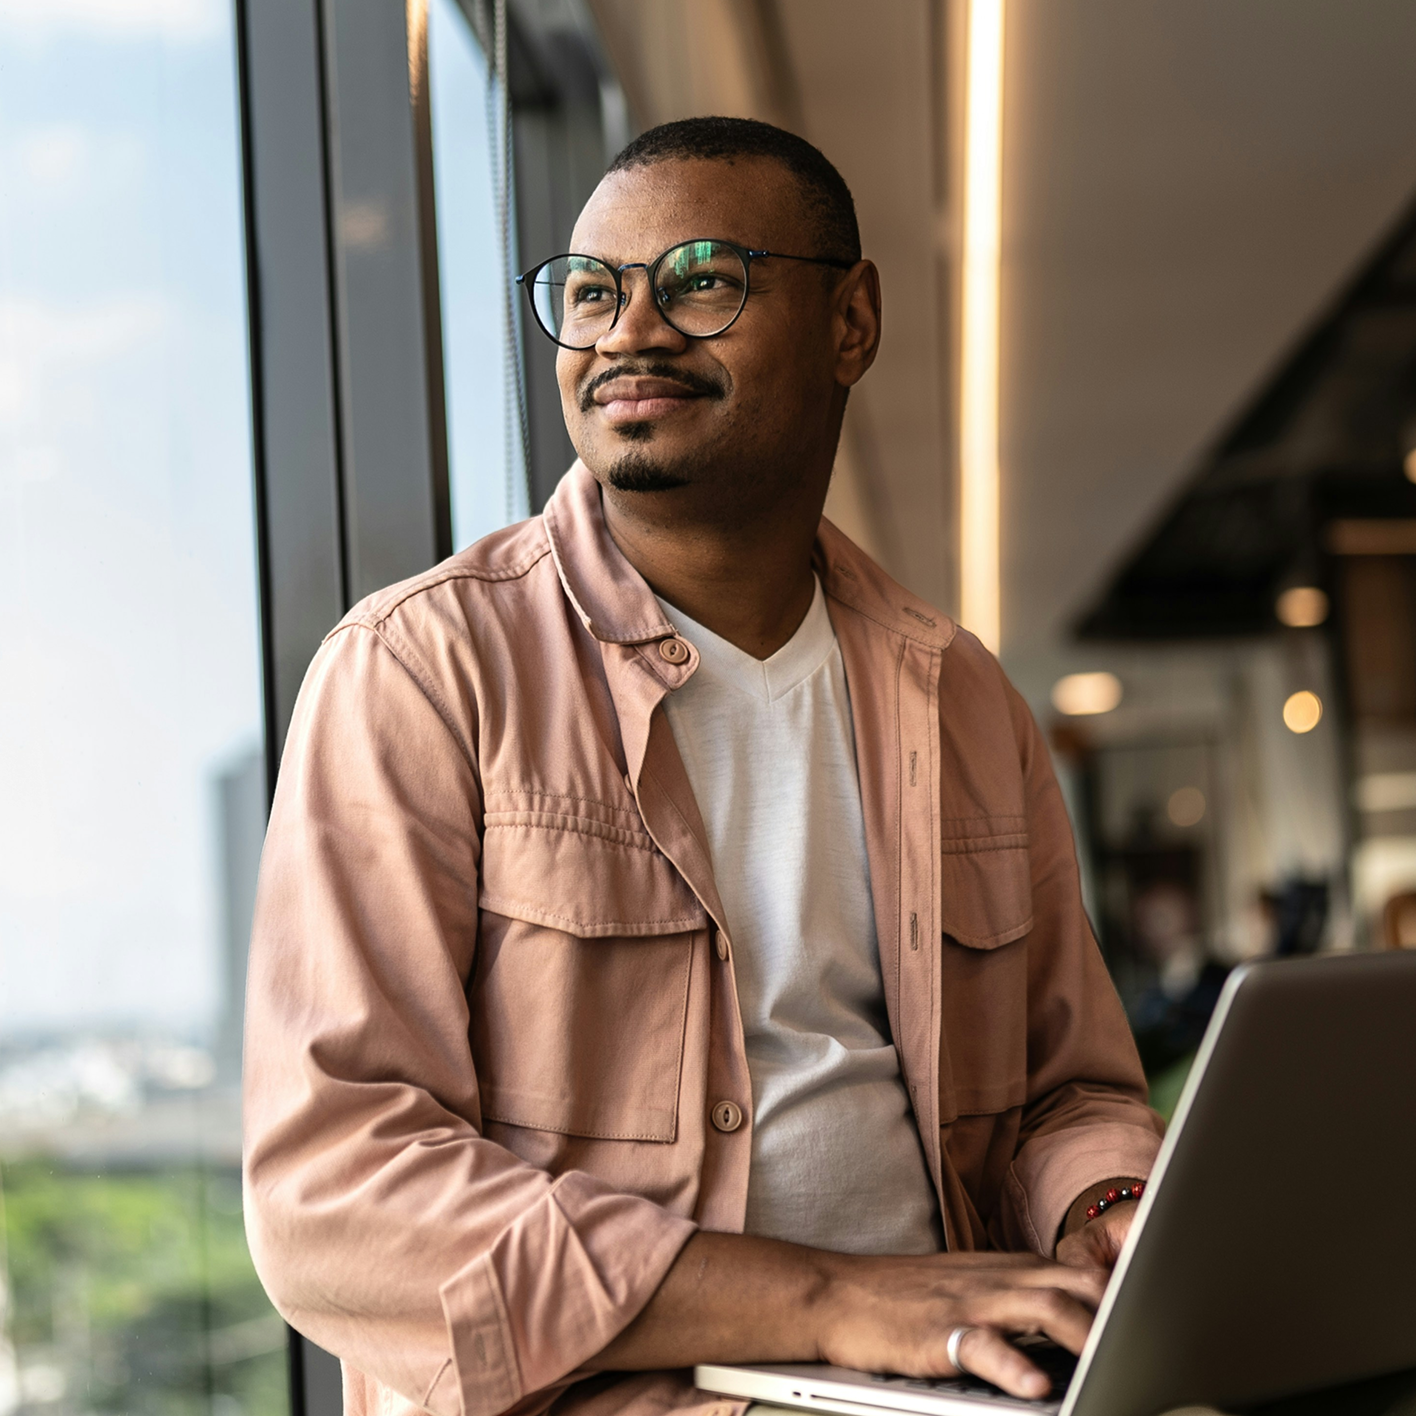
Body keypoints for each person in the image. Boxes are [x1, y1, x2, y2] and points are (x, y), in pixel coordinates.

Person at [243, 117, 1162, 1416]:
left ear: (850, 324)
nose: (629, 332)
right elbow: (334, 1196)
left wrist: (1107, 1209)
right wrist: (835, 1304)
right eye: (594, 293)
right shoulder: (421, 670)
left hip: (962, 1381)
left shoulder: (961, 696)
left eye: (701, 281)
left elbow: (1071, 1090)